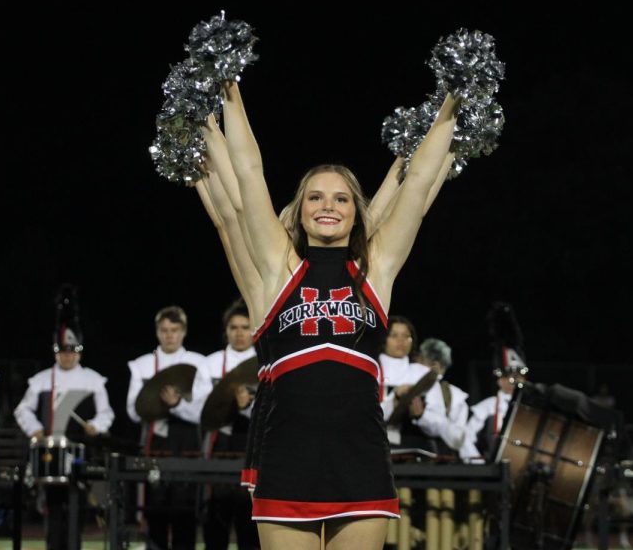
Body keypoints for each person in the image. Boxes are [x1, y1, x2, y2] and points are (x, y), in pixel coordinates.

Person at [196, 77, 459, 550]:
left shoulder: (375, 272)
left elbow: (418, 186)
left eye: (340, 198)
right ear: (299, 212)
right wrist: (226, 83)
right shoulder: (277, 270)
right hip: (288, 459)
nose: (327, 206)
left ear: (357, 213)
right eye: (315, 197)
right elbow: (248, 177)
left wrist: (456, 97)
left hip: (360, 460)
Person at [13, 285, 114, 550]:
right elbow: (22, 409)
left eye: (71, 351)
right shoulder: (41, 380)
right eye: (63, 351)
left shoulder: (93, 380)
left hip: (81, 457)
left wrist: (96, 426)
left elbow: (107, 413)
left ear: (79, 351)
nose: (67, 356)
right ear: (56, 351)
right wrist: (34, 429)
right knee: (53, 513)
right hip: (50, 458)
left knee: (76, 513)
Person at [127, 305, 209, 550]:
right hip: (154, 441)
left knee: (185, 514)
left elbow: (203, 411)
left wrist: (176, 406)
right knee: (155, 512)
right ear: (157, 332)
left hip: (187, 442)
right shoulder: (141, 365)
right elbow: (132, 410)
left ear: (183, 332)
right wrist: (156, 405)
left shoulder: (199, 363)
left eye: (174, 330)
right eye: (164, 330)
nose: (169, 335)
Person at [195, 298, 260, 550]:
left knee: (250, 520)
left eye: (245, 327)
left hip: (252, 444)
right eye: (234, 327)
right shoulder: (209, 363)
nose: (240, 333)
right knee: (216, 518)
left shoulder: (265, 362)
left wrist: (247, 407)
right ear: (226, 332)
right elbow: (198, 408)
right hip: (219, 442)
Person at [379, 316, 447, 452]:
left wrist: (421, 415)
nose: (401, 341)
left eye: (406, 336)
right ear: (383, 339)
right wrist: (395, 398)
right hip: (377, 448)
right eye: (394, 335)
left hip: (417, 449)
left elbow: (440, 425)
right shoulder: (371, 371)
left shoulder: (423, 373)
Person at [412, 337, 471, 456]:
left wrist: (424, 416)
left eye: (421, 359)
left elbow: (457, 438)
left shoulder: (454, 396)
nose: (415, 362)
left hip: (435, 460)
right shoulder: (406, 383)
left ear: (435, 365)